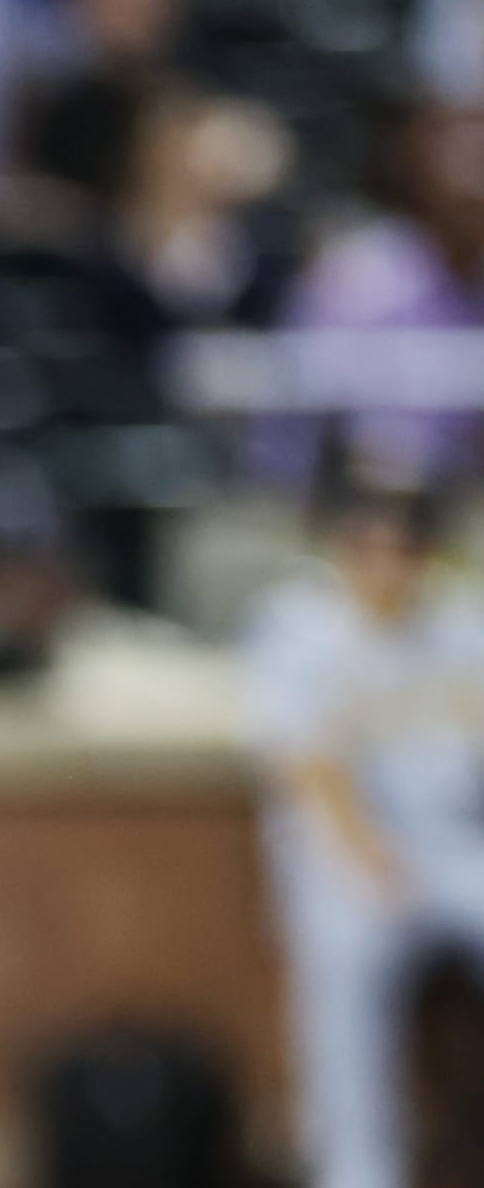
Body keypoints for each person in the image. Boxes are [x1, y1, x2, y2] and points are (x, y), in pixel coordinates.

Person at [243, 482, 484, 1188]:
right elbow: (307, 765)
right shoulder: (297, 626)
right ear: (341, 549)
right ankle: (356, 1170)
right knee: (347, 956)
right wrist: (368, 855)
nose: (383, 564)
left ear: (426, 555)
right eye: (367, 547)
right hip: (338, 849)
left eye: (400, 549)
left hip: (452, 842)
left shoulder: (462, 625)